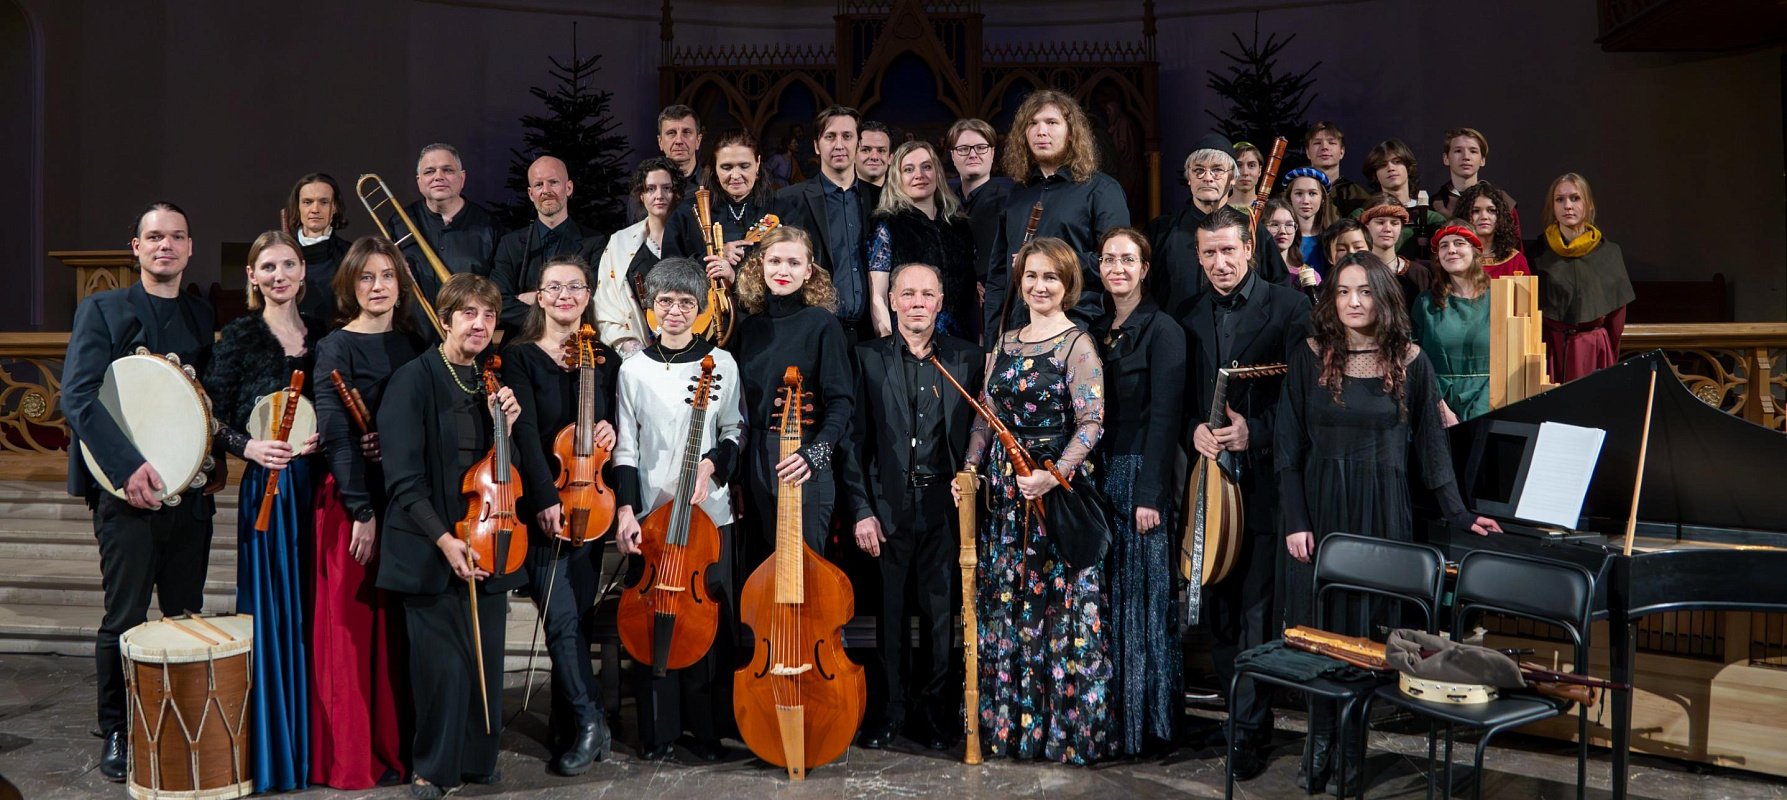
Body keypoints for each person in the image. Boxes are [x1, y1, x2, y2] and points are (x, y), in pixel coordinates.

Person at [1275, 251, 1501, 792]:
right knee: (1320, 632)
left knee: (1366, 636)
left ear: (1383, 296)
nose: (1353, 302)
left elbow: (1433, 450)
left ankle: (1351, 747)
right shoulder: (1309, 355)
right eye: (1342, 291)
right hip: (1321, 512)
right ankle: (1319, 740)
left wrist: (1459, 513)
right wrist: (1296, 520)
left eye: (1364, 291)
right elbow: (1288, 447)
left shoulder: (1412, 361)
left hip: (1382, 514)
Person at [64, 202, 218, 782]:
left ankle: (175, 724)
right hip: (121, 492)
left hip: (188, 494)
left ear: (190, 247)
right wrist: (128, 468)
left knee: (183, 614)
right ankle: (117, 728)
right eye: (154, 237)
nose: (165, 246)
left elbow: (204, 402)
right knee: (124, 616)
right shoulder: (102, 309)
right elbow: (78, 396)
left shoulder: (201, 314)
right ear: (136, 247)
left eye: (176, 237)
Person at [376, 274, 523, 799]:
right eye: (468, 313)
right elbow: (403, 480)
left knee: (484, 659)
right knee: (442, 669)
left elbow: (504, 474)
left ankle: (477, 760)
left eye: (489, 315)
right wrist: (444, 541)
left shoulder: (491, 385)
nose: (479, 324)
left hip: (488, 536)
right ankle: (432, 769)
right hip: (430, 545)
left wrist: (507, 428)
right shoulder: (412, 381)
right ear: (445, 320)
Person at [965, 235, 1111, 764]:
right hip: (1007, 495)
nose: (1040, 285)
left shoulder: (1078, 344)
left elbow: (1092, 422)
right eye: (1031, 275)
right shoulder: (1004, 341)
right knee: (1010, 604)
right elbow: (986, 416)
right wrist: (970, 468)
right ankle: (1013, 730)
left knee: (1057, 607)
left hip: (1054, 493)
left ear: (1068, 284)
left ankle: (1063, 732)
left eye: (1051, 277)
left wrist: (1054, 476)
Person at [1175, 207, 1309, 778]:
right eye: (1209, 253)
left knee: (1256, 611)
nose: (1220, 263)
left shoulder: (1290, 307)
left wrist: (1257, 431)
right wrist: (1194, 430)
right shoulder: (1186, 314)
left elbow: (1306, 402)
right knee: (1221, 612)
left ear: (1249, 248)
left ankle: (1251, 732)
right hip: (1210, 486)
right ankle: (1240, 717)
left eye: (1229, 250)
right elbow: (1181, 401)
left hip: (1265, 482)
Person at [841, 261, 984, 752]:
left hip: (946, 506)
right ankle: (890, 713)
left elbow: (980, 434)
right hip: (887, 508)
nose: (917, 302)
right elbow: (852, 442)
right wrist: (861, 509)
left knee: (942, 618)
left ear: (940, 302)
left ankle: (936, 716)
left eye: (927, 294)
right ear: (893, 301)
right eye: (908, 294)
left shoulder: (968, 358)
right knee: (890, 616)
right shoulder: (866, 357)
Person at [611, 258, 746, 762]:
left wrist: (711, 466)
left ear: (701, 309)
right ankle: (658, 731)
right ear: (650, 308)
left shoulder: (722, 363)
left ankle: (706, 732)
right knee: (653, 621)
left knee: (705, 622)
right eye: (665, 301)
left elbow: (733, 431)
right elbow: (626, 446)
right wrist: (627, 510)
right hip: (651, 517)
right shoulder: (633, 369)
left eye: (686, 302)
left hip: (708, 519)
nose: (674, 311)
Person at [204, 230, 324, 792]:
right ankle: (279, 750)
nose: (279, 275)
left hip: (320, 488)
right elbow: (209, 414)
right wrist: (248, 447)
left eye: (288, 265)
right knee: (277, 614)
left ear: (303, 272)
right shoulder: (240, 336)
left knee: (319, 612)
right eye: (268, 267)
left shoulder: (324, 333)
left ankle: (322, 747)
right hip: (269, 491)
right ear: (252, 276)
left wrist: (327, 437)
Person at [310, 236, 421, 789]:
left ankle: (398, 747)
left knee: (399, 634)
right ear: (349, 285)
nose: (378, 287)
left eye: (387, 276)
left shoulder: (414, 343)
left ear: (401, 284)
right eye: (366, 277)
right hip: (354, 504)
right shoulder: (335, 348)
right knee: (354, 634)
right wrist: (361, 510)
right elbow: (336, 434)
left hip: (405, 499)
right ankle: (353, 757)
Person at [500, 255, 617, 775]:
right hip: (543, 504)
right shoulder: (519, 356)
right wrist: (546, 497)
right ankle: (591, 721)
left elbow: (614, 423)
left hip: (591, 504)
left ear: (588, 296)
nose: (564, 295)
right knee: (562, 619)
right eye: (554, 287)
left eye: (575, 287)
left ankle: (569, 724)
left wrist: (609, 429)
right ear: (539, 298)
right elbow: (525, 433)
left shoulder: (603, 359)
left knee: (579, 619)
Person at [1089, 228, 1185, 757]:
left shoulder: (1163, 329)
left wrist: (1151, 493)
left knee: (1143, 601)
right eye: (1109, 259)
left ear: (1145, 268)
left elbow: (1166, 418)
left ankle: (1150, 725)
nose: (1118, 268)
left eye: (1128, 259)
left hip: (1141, 475)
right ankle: (1113, 720)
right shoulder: (1097, 328)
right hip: (1100, 475)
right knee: (1109, 600)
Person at [731, 227, 854, 553]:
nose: (783, 270)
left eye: (794, 263)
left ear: (808, 271)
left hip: (804, 458)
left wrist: (815, 454)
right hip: (756, 462)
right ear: (760, 264)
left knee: (804, 568)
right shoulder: (749, 328)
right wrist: (738, 475)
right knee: (760, 568)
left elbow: (841, 402)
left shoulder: (822, 323)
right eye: (775, 261)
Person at [981, 89, 1130, 345]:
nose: (1041, 131)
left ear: (1071, 133)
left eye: (1052, 122)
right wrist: (991, 343)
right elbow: (998, 277)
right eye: (1033, 123)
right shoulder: (1017, 195)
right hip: (1019, 330)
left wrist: (1051, 262)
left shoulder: (1102, 190)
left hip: (1078, 326)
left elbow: (1117, 265)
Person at [1147, 134, 1288, 318]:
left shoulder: (1251, 230)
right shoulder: (1161, 230)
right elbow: (1144, 290)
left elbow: (1278, 289)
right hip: (1176, 331)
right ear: (1189, 177)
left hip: (1241, 332)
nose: (1207, 177)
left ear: (1232, 178)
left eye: (1217, 170)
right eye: (1199, 170)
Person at [774, 106, 882, 341]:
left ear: (858, 144)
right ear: (816, 145)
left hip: (870, 336)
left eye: (847, 136)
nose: (839, 145)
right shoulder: (788, 200)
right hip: (812, 333)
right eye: (830, 136)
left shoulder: (880, 200)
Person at [867, 141, 977, 340]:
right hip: (909, 342)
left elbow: (971, 296)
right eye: (909, 169)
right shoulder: (888, 225)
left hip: (961, 341)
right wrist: (888, 346)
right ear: (897, 178)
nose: (919, 175)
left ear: (937, 173)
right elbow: (878, 297)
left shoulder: (959, 226)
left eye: (926, 166)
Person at [490, 155, 609, 335]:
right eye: (539, 185)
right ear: (531, 194)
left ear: (568, 188)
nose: (546, 190)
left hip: (574, 340)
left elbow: (593, 300)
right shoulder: (510, 244)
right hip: (521, 341)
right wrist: (558, 315)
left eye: (553, 182)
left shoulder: (594, 242)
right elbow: (499, 302)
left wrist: (533, 299)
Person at [1534, 173, 1633, 382]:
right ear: (1552, 207)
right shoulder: (1538, 253)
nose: (1567, 206)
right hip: (1551, 348)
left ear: (1588, 205)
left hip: (1593, 348)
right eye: (1560, 199)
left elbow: (1616, 322)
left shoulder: (1609, 253)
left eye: (1575, 198)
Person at [663, 129, 772, 290]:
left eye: (744, 166)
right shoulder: (687, 212)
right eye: (726, 167)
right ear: (715, 169)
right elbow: (667, 273)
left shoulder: (779, 209)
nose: (735, 175)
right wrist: (711, 258)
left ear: (758, 164)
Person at [593, 158, 682, 354]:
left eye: (666, 188)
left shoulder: (692, 237)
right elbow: (606, 304)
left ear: (676, 193)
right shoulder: (620, 242)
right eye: (651, 189)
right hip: (638, 349)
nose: (659, 195)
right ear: (641, 195)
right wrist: (633, 349)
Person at [1413, 224, 1493, 422]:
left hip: (1493, 400)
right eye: (1444, 246)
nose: (1451, 250)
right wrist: (1441, 409)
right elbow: (1414, 360)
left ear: (1475, 251)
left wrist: (1485, 408)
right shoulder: (1425, 303)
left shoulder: (1501, 297)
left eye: (1459, 243)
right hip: (1440, 404)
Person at [394, 143, 500, 283]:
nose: (438, 177)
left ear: (462, 178)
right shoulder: (399, 222)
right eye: (429, 171)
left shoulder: (491, 226)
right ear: (419, 181)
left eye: (448, 170)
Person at [947, 118, 1015, 291]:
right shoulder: (943, 205)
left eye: (981, 147)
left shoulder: (1011, 202)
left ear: (992, 153)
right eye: (963, 149)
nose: (972, 154)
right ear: (953, 155)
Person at [1357, 140, 1446, 259]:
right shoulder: (1362, 215)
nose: (1390, 168)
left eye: (1397, 162)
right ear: (1375, 175)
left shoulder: (1432, 219)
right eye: (1382, 165)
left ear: (1408, 168)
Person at [286, 173, 354, 325]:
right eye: (307, 202)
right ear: (298, 206)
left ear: (334, 207)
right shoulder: (280, 253)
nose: (315, 209)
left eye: (323, 202)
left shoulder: (350, 254)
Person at [1359, 194, 1434, 313]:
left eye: (1394, 223)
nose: (1387, 229)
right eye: (1380, 222)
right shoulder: (1355, 271)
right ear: (1366, 226)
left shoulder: (1419, 274)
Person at [1456, 180, 1529, 279]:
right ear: (1464, 216)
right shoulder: (1455, 257)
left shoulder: (1516, 260)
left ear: (1500, 216)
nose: (1484, 217)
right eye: (1475, 211)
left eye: (1492, 210)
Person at [1431, 127, 1499, 221]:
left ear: (1482, 160)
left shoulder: (1500, 203)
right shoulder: (1432, 206)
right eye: (1458, 151)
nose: (1466, 157)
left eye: (1473, 151)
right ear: (1446, 158)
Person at [1304, 122, 1369, 217]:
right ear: (1308, 152)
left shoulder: (1357, 195)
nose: (1324, 147)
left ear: (1342, 152)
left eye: (1331, 143)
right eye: (1317, 143)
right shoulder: (1293, 192)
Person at [1283, 166, 1337, 280]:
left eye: (1312, 193)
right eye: (1299, 193)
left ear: (1323, 198)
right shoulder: (1280, 238)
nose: (1305, 201)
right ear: (1289, 198)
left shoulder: (1334, 238)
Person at [657, 105, 708, 199]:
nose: (679, 141)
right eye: (671, 133)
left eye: (686, 132)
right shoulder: (645, 189)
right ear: (660, 142)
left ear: (698, 140)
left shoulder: (715, 186)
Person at [1228, 140, 1264, 212]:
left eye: (1251, 165)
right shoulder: (1217, 209)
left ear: (1259, 170)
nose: (1245, 172)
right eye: (1238, 166)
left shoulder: (1271, 209)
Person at [857, 120, 892, 187]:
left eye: (881, 151)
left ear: (890, 158)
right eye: (865, 150)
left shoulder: (903, 193)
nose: (874, 157)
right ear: (853, 156)